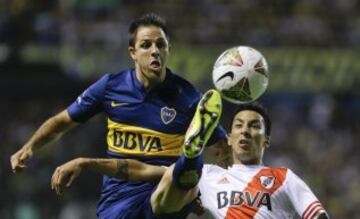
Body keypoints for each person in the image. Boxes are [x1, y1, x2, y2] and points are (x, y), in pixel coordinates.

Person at [10, 13, 228, 219]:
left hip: (165, 191)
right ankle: (187, 178)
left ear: (168, 50)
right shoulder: (111, 86)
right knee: (181, 175)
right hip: (119, 198)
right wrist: (29, 147)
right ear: (132, 52)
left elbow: (222, 148)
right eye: (146, 45)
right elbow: (62, 121)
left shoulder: (188, 96)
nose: (155, 51)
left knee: (179, 175)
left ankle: (188, 176)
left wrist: (210, 193)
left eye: (161, 45)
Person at [52, 102, 329, 219]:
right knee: (178, 176)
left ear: (266, 139)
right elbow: (139, 169)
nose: (245, 130)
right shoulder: (208, 174)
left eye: (255, 126)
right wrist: (86, 162)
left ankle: (189, 153)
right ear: (228, 137)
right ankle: (189, 154)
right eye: (239, 125)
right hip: (186, 183)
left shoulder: (284, 177)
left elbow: (318, 215)